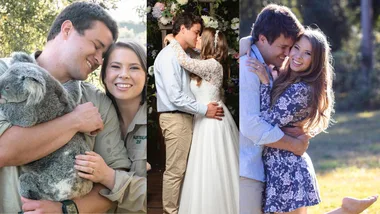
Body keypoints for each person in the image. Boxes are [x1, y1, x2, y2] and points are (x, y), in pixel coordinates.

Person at [0, 2, 145, 213]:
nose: (98, 59)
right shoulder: (6, 74)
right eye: (96, 46)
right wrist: (75, 121)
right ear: (67, 29)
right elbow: (3, 150)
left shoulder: (97, 101)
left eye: (104, 54)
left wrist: (66, 210)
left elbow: (114, 182)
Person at [239, 4, 310, 214]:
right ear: (262, 39)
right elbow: (251, 125)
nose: (288, 53)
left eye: (291, 47)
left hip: (257, 169)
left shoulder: (265, 66)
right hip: (245, 172)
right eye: (283, 47)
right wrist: (294, 145)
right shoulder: (249, 68)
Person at [153, 13, 223, 214]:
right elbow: (175, 96)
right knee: (175, 171)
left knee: (187, 169)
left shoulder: (185, 57)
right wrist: (204, 109)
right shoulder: (168, 57)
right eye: (195, 32)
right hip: (176, 117)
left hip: (186, 118)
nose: (197, 36)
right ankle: (170, 212)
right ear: (182, 29)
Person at [165, 27, 239, 213]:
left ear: (206, 43)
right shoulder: (205, 62)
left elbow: (183, 61)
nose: (196, 39)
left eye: (200, 37)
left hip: (211, 122)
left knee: (211, 166)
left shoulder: (213, 65)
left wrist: (173, 40)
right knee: (201, 167)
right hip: (203, 117)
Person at [74, 41, 148, 213]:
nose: (124, 75)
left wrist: (108, 176)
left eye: (134, 68)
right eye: (115, 66)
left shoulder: (154, 121)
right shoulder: (93, 111)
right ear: (104, 74)